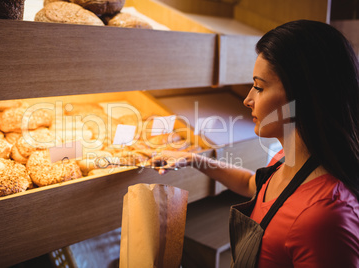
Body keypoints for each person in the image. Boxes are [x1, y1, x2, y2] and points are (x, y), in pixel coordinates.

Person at [152, 20, 359, 267]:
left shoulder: (325, 216)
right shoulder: (288, 159)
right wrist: (195, 159)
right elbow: (254, 185)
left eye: (259, 87)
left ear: (303, 96)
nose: (248, 99)